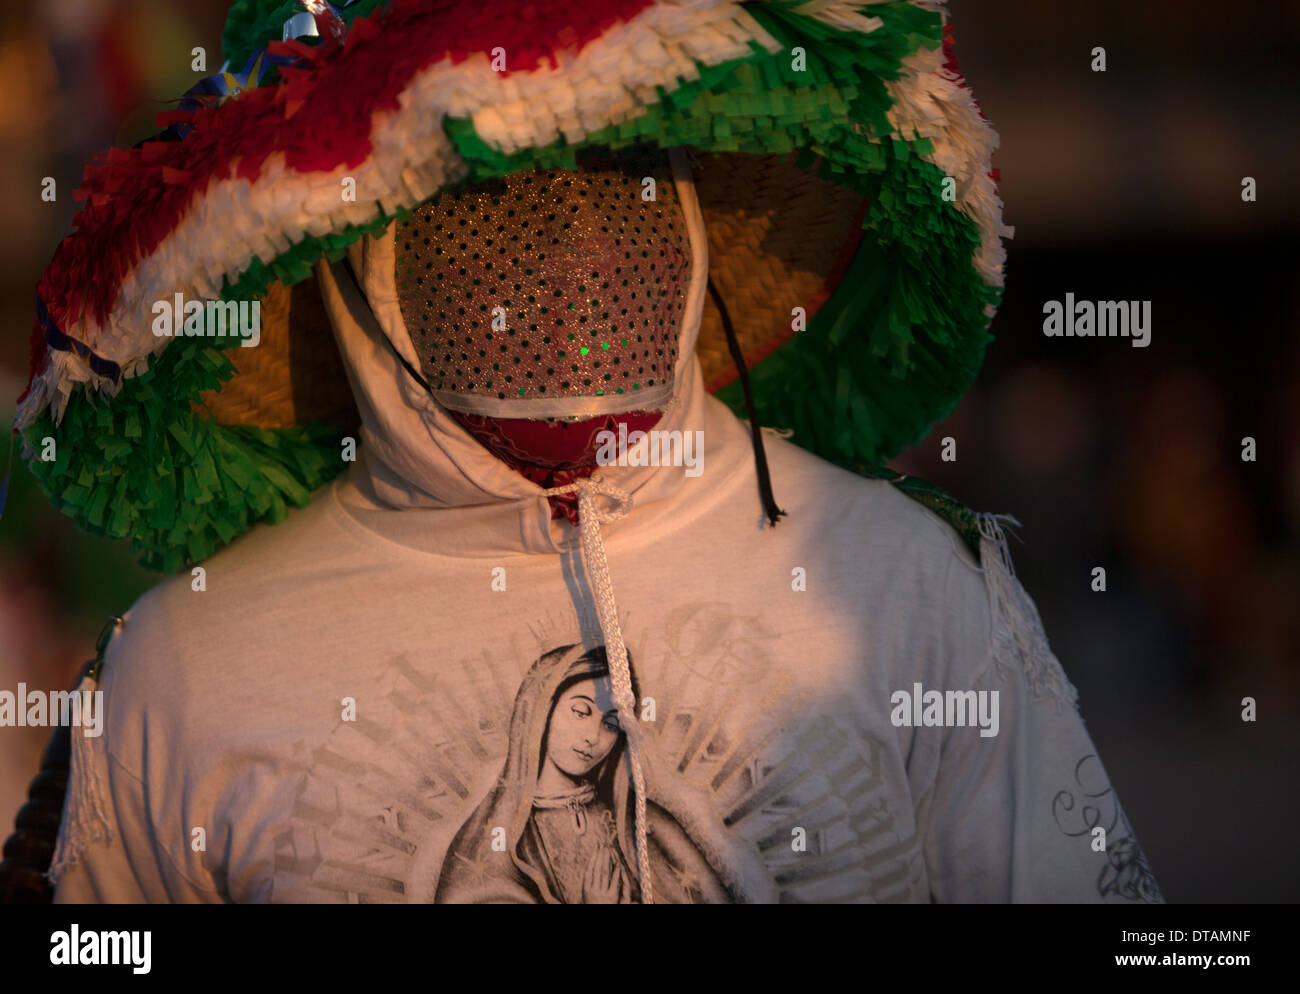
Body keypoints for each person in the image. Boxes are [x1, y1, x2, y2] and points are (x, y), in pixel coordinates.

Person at [3, 0, 1161, 904]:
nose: (572, 244)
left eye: (623, 171)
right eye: (491, 188)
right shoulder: (182, 666)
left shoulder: (903, 585)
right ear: (353, 242)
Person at [435, 644, 732, 903]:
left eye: (611, 723)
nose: (593, 736)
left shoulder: (646, 824)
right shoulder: (495, 842)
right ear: (542, 710)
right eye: (581, 711)